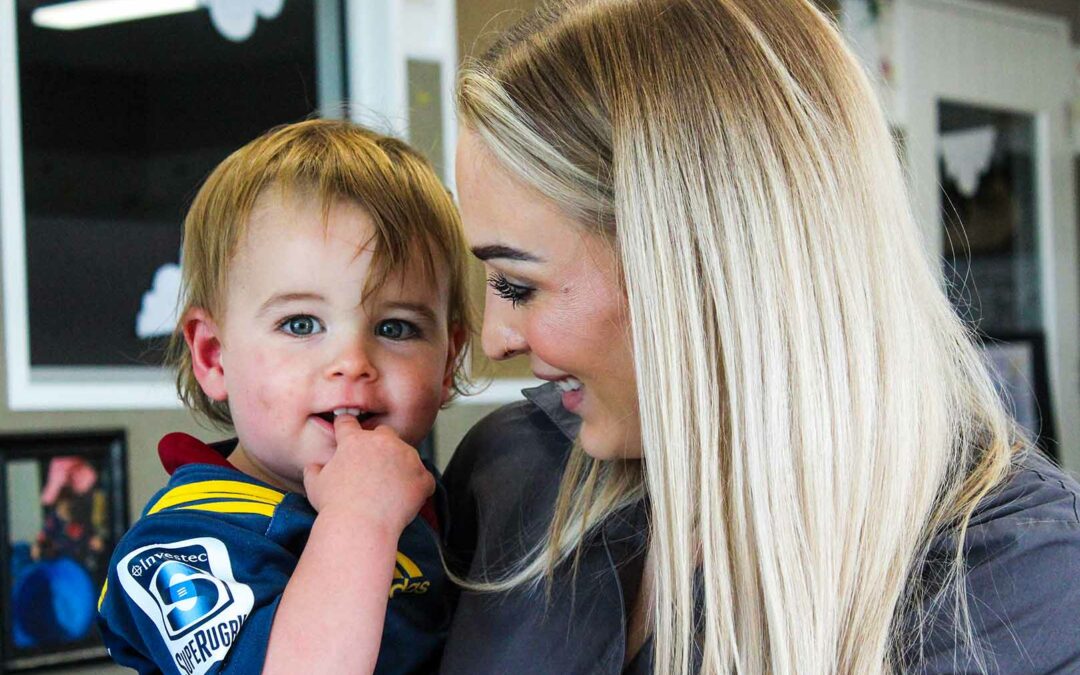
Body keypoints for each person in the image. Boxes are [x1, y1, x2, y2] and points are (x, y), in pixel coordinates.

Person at [440, 0, 1080, 673]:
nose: (497, 335)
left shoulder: (1018, 578)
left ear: (694, 262)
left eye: (518, 284)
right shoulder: (507, 469)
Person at [97, 119, 471, 674]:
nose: (353, 363)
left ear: (449, 361)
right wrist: (360, 519)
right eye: (300, 324)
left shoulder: (433, 498)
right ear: (213, 357)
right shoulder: (182, 544)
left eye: (396, 328)